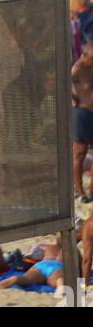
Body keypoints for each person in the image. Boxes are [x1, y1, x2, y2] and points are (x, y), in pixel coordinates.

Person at [71, 33, 93, 202]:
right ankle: (80, 191)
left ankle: (91, 189)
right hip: (81, 114)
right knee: (79, 153)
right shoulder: (77, 69)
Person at [0, 240, 65, 292]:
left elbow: (33, 256)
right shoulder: (71, 250)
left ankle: (16, 279)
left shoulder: (47, 246)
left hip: (42, 264)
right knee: (58, 279)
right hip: (58, 266)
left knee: (27, 278)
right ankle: (60, 285)